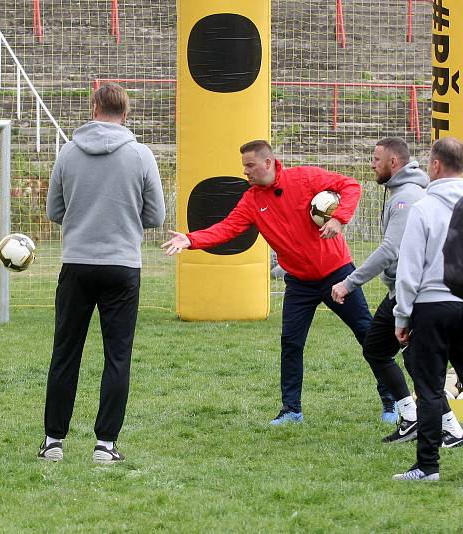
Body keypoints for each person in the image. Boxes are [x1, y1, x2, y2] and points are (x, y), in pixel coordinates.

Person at [162, 140, 394, 425]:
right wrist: (191, 239)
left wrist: (339, 219)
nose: (246, 171)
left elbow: (350, 185)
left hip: (338, 274)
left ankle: (392, 401)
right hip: (298, 282)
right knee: (291, 343)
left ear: (268, 163)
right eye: (244, 166)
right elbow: (227, 228)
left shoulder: (304, 177)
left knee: (367, 335)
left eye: (250, 165)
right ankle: (291, 411)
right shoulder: (252, 199)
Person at [38, 83, 166, 463]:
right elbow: (155, 216)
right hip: (122, 265)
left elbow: (54, 211)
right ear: (125, 113)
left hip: (77, 263)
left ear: (93, 108)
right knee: (117, 356)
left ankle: (53, 442)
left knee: (65, 353)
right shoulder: (141, 155)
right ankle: (105, 445)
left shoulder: (67, 152)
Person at [331, 138, 463, 445]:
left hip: (419, 296)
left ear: (394, 162)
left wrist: (350, 282)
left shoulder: (408, 199)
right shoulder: (406, 193)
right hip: (413, 294)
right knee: (381, 349)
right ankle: (413, 417)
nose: (371, 164)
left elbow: (393, 251)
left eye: (376, 159)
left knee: (418, 364)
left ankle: (445, 433)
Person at [392, 137, 463, 481]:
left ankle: (428, 467)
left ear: (435, 165)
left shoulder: (423, 207)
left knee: (431, 389)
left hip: (432, 306)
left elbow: (409, 269)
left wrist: (402, 315)